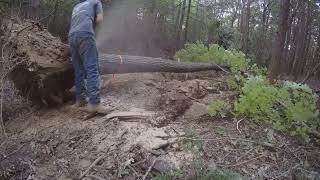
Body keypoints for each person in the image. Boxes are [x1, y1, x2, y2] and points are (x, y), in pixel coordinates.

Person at [69, 0, 104, 112]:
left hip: (72, 36)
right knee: (92, 67)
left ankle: (80, 100)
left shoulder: (76, 6)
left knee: (78, 70)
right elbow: (99, 19)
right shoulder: (96, 2)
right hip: (85, 33)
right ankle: (94, 103)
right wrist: (92, 30)